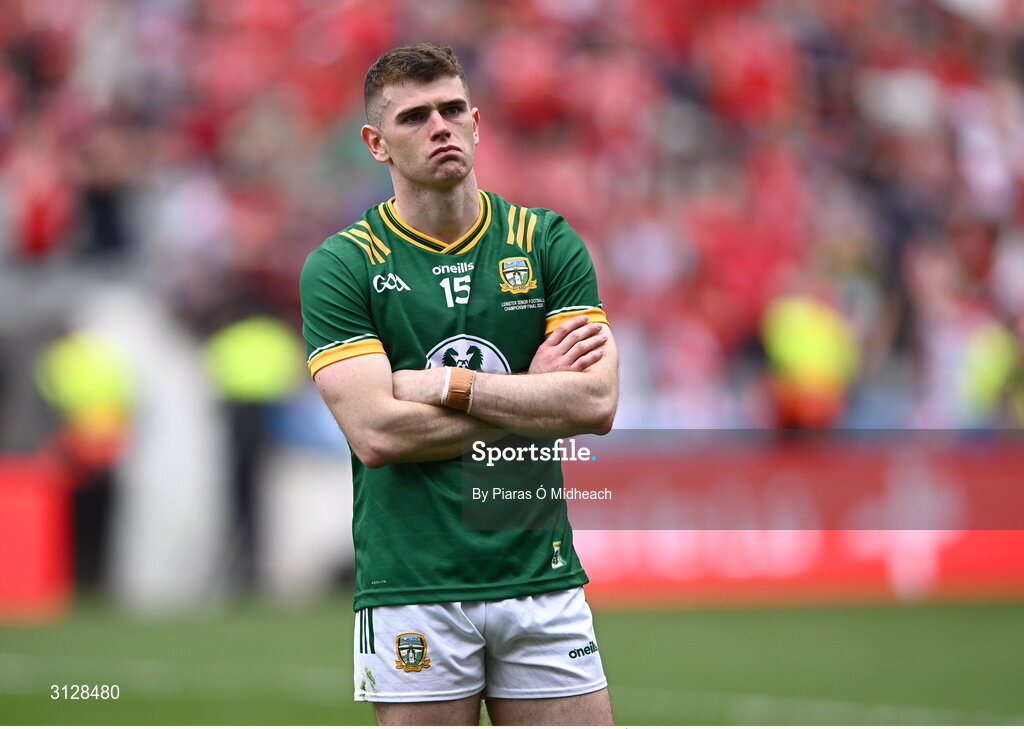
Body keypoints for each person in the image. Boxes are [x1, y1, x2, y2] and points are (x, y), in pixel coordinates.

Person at [300, 43, 619, 726]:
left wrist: (443, 385)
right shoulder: (342, 266)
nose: (439, 126)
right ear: (375, 144)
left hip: (541, 574)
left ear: (477, 121)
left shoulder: (545, 241)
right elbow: (378, 433)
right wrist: (532, 397)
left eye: (451, 109)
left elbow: (594, 402)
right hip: (412, 583)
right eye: (414, 117)